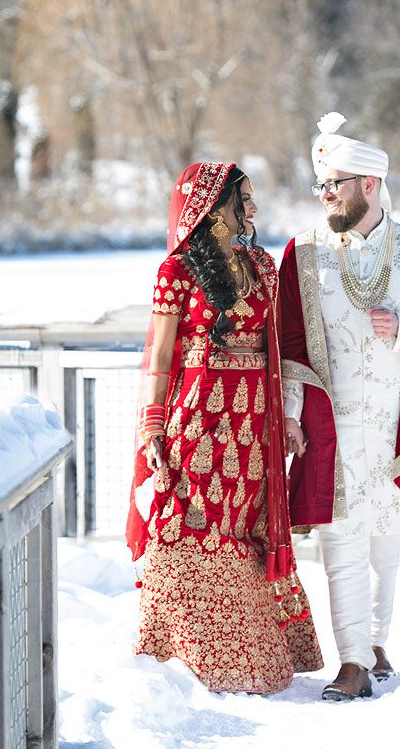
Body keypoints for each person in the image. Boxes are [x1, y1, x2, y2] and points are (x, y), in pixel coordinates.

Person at [279, 113, 400, 701]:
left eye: (334, 183)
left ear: (369, 184)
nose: (325, 194)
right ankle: (352, 662)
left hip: (396, 423)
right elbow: (286, 341)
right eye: (320, 185)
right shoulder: (304, 254)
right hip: (329, 423)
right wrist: (287, 412)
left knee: (387, 536)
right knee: (339, 540)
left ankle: (378, 644)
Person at [126, 161, 323, 694]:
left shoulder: (262, 264)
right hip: (199, 416)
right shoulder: (177, 271)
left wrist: (286, 415)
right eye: (244, 199)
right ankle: (187, 655)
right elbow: (162, 355)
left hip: (254, 415)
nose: (254, 209)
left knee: (244, 521)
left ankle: (250, 659)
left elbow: (280, 348)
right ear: (214, 206)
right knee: (189, 517)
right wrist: (152, 426)